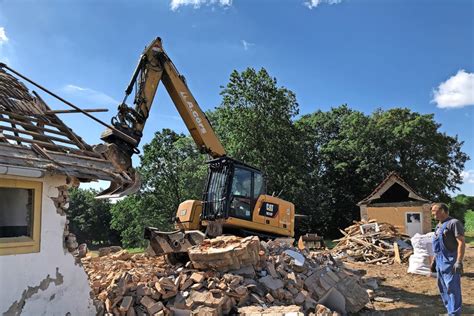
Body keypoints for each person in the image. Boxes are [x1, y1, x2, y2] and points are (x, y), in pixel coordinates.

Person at [431, 202, 465, 315]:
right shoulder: (438, 226)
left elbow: (461, 242)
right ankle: (450, 311)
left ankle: (455, 313)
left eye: (434, 211)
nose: (432, 214)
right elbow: (437, 247)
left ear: (442, 211)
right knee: (443, 288)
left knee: (453, 289)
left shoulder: (454, 223)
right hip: (440, 262)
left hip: (451, 261)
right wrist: (434, 261)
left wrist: (459, 262)